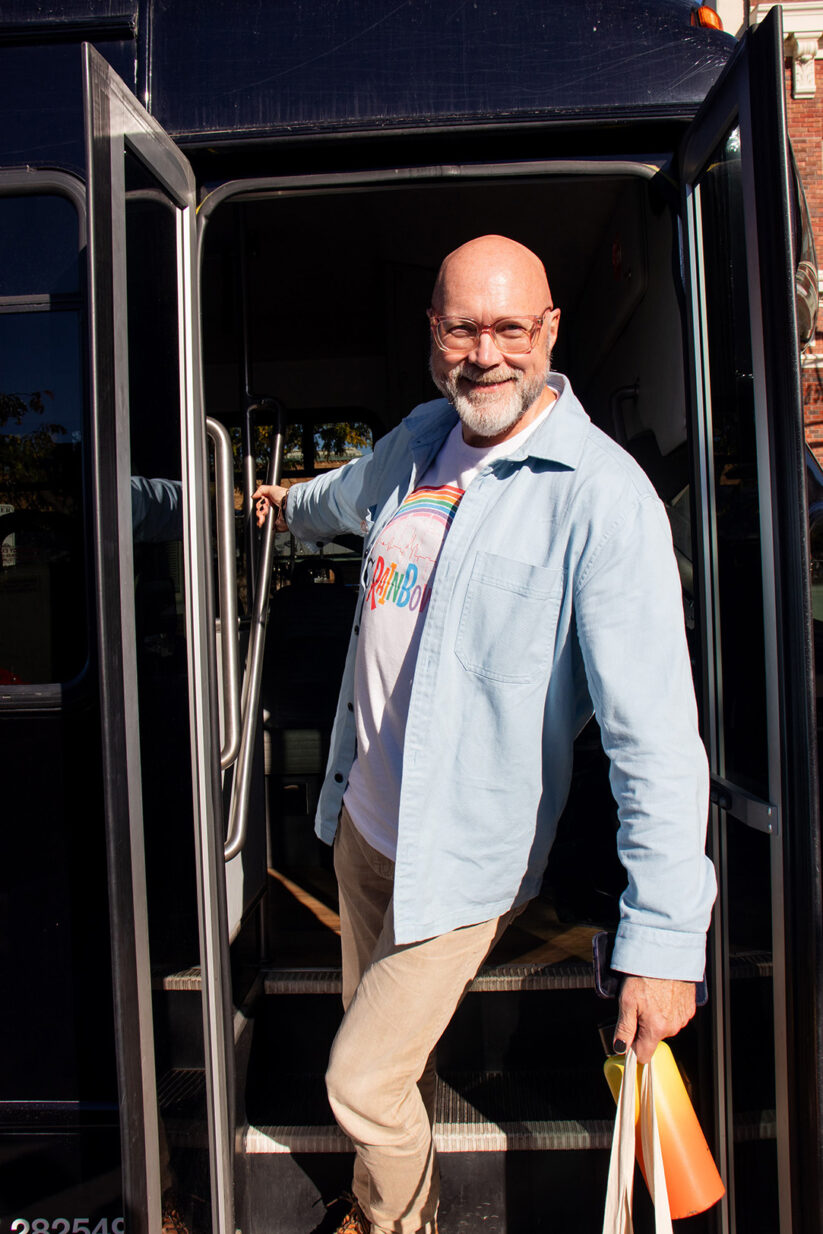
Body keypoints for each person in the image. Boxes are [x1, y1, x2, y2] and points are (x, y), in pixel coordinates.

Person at [253, 235, 716, 1234]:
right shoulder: (420, 439)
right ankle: (388, 1200)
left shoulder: (600, 497)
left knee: (359, 1079)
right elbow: (342, 495)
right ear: (433, 334)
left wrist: (664, 941)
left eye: (510, 327)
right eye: (462, 328)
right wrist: (282, 508)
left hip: (462, 859)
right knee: (388, 1057)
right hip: (363, 827)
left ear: (550, 330)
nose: (486, 354)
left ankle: (397, 1222)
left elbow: (654, 740)